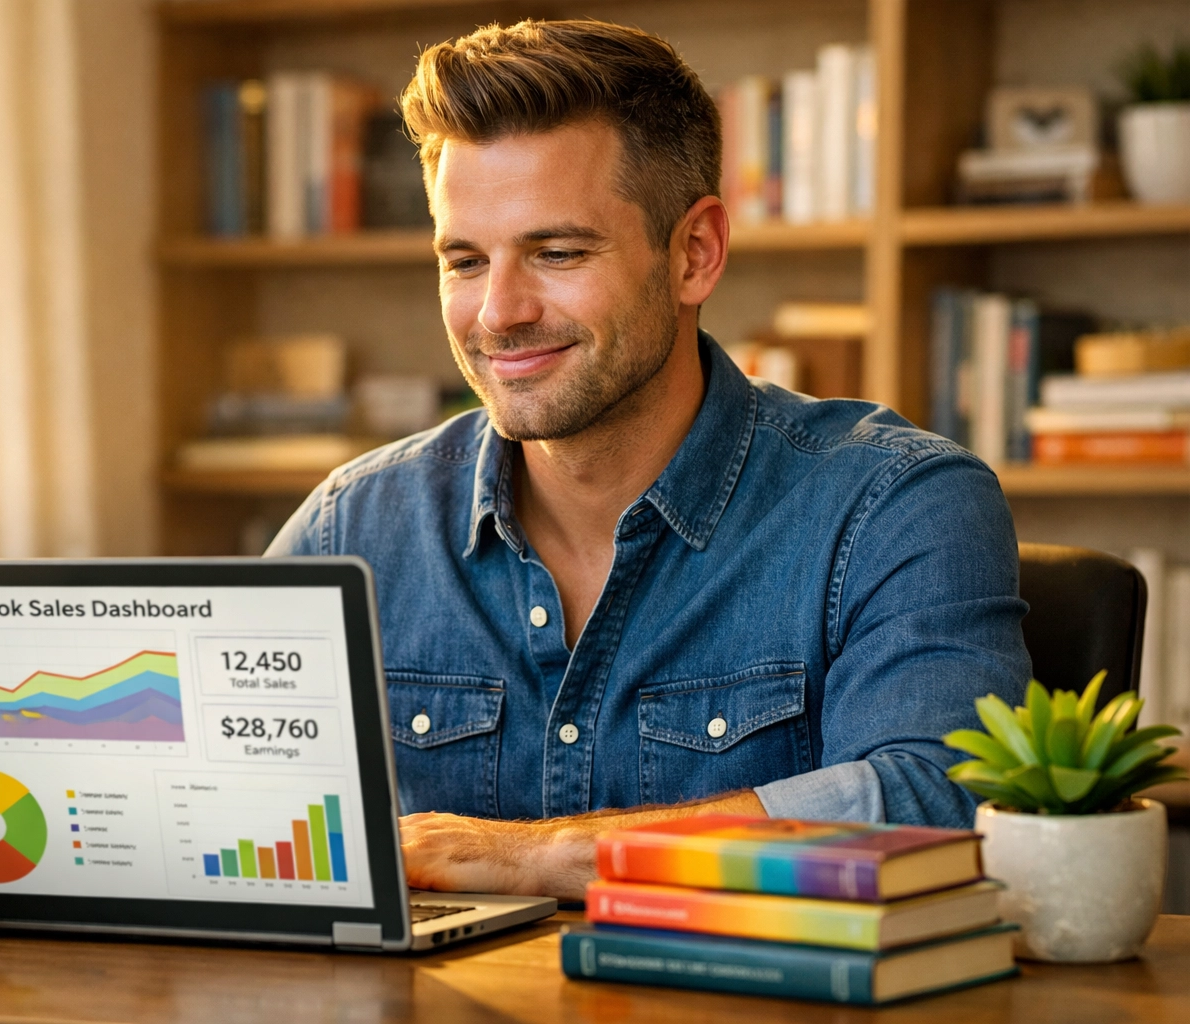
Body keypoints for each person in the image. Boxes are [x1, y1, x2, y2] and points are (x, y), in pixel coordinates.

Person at [266, 19, 1029, 900]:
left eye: (557, 253)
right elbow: (217, 812)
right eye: (465, 260)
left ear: (695, 254)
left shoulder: (896, 505)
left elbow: (936, 803)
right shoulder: (353, 525)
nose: (499, 313)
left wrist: (535, 858)